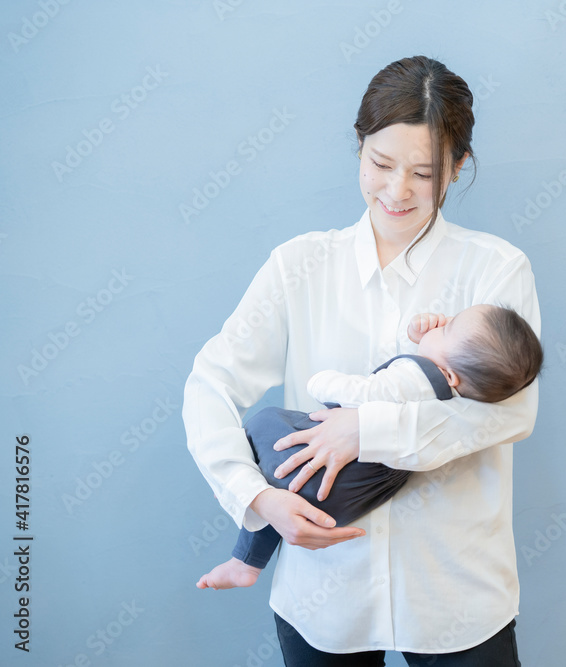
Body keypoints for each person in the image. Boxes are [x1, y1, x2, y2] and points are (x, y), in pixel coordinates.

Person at [183, 55, 539, 665]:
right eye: (380, 164)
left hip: (457, 598)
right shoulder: (299, 266)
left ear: (458, 167)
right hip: (324, 598)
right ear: (359, 147)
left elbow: (507, 416)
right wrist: (255, 498)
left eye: (424, 173)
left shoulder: (498, 270)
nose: (397, 191)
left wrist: (365, 430)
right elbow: (210, 383)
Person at [196, 305, 543, 591]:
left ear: (449, 374)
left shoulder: (416, 374)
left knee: (265, 421)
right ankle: (246, 558)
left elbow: (359, 394)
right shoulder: (455, 396)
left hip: (319, 471)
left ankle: (246, 504)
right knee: (286, 495)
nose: (443, 320)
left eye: (449, 328)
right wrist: (432, 340)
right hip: (350, 497)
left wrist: (323, 381)